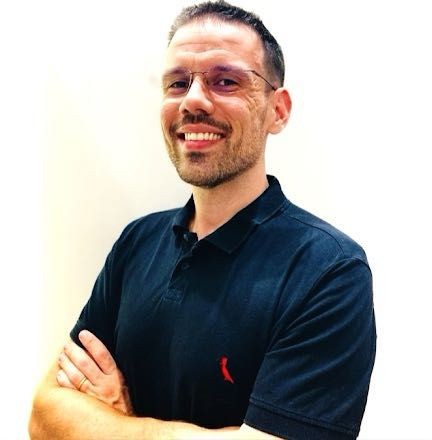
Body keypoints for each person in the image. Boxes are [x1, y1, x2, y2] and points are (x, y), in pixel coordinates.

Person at [29, 1, 376, 439]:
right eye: (177, 83)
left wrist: (116, 422)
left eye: (225, 80)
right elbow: (43, 416)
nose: (192, 99)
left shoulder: (328, 270)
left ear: (278, 110)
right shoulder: (137, 242)